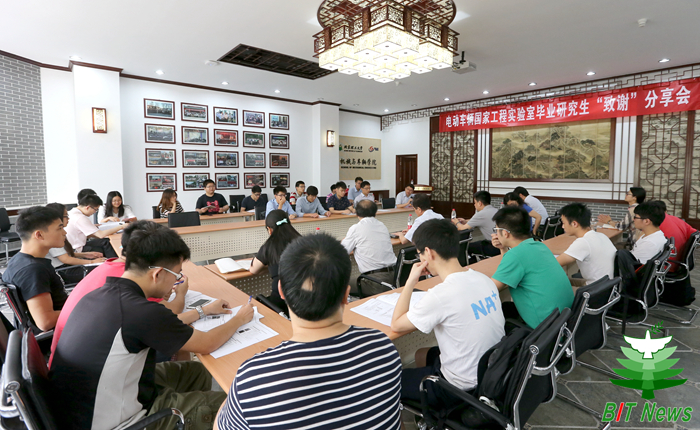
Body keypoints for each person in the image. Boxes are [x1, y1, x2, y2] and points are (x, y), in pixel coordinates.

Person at [49, 221, 254, 430]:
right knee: (231, 408)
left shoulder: (101, 293)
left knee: (196, 372)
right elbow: (207, 343)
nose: (176, 282)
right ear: (157, 274)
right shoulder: (140, 311)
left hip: (81, 404)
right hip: (114, 423)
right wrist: (239, 318)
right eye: (176, 275)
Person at [216, 234, 402, 429]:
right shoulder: (384, 347)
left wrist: (235, 396)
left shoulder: (252, 380)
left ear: (281, 291)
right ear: (346, 295)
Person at [391, 219, 505, 405]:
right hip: (492, 374)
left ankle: (438, 406)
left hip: (459, 388)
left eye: (420, 254)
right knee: (421, 354)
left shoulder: (440, 295)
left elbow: (396, 324)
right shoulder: (484, 279)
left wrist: (410, 282)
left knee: (391, 382)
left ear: (428, 252)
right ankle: (430, 412)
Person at [48, 220, 190, 367]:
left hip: (70, 360)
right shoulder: (133, 279)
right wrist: (182, 294)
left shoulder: (113, 267)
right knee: (180, 342)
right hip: (91, 366)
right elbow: (172, 314)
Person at [490, 206, 573, 328]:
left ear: (505, 233)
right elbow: (511, 269)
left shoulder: (516, 255)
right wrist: (503, 248)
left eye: (496, 230)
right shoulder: (539, 246)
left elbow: (490, 288)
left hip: (545, 328)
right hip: (564, 320)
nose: (495, 234)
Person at [1, 206, 68, 334]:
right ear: (39, 234)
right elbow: (45, 322)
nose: (64, 232)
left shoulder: (17, 260)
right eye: (59, 228)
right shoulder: (33, 270)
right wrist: (80, 307)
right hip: (59, 336)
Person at [249, 210, 301, 312]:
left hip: (280, 303)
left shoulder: (269, 246)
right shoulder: (303, 241)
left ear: (269, 229)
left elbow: (253, 270)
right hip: (303, 301)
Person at [341, 200, 397, 296]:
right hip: (395, 276)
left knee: (339, 283)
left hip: (375, 282)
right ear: (375, 212)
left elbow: (342, 252)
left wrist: (344, 241)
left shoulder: (356, 228)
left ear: (356, 213)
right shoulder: (382, 225)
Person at [555, 203, 617, 285]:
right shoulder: (601, 236)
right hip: (608, 285)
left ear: (574, 224)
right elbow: (570, 252)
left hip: (595, 289)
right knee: (568, 281)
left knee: (560, 284)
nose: (563, 226)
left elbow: (554, 263)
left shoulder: (583, 242)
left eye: (563, 223)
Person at [45, 203, 105, 285]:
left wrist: (86, 255)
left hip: (67, 267)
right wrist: (92, 262)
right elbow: (66, 259)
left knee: (103, 263)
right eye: (66, 216)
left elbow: (63, 254)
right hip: (64, 271)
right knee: (103, 269)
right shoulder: (53, 235)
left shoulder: (58, 231)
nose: (68, 218)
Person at [65, 194, 120, 258]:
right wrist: (121, 227)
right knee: (106, 245)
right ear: (88, 207)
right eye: (95, 209)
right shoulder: (80, 217)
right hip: (77, 249)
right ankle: (113, 262)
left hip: (74, 245)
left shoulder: (72, 212)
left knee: (105, 241)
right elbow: (101, 235)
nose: (95, 212)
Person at [452, 190, 500, 259]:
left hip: (494, 246)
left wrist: (456, 222)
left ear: (480, 203)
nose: (474, 205)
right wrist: (465, 221)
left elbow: (461, 228)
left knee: (467, 248)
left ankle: (472, 264)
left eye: (475, 203)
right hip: (502, 244)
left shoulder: (481, 214)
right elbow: (480, 220)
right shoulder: (496, 210)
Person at [650, 200, 697, 269]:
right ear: (666, 211)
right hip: (678, 262)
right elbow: (696, 233)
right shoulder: (678, 220)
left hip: (663, 264)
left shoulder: (654, 223)